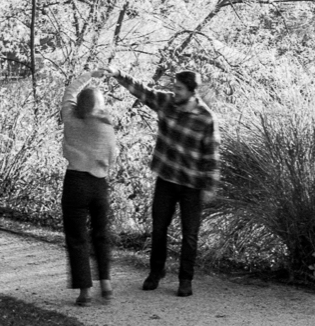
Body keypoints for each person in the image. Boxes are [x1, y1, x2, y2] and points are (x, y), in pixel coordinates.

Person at [97, 66, 219, 298]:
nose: (174, 92)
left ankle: (185, 279)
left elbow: (211, 155)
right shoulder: (166, 103)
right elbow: (142, 91)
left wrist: (210, 186)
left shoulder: (206, 119)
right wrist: (118, 74)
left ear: (192, 92)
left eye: (179, 89)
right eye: (174, 87)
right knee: (158, 229)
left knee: (190, 235)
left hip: (192, 185)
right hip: (166, 179)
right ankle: (156, 272)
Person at [60, 71, 118, 306]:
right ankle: (106, 283)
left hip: (75, 181)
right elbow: (113, 157)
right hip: (99, 184)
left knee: (77, 237)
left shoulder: (71, 119)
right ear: (99, 105)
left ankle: (85, 291)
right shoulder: (106, 128)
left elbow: (69, 92)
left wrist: (89, 75)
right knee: (101, 235)